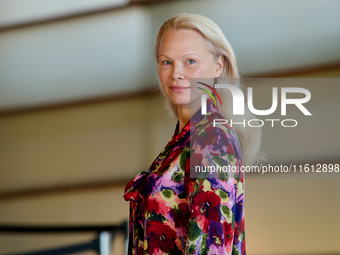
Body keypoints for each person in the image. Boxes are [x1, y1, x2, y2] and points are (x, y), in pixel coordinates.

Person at [124, 13, 261, 255]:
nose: (176, 73)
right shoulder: (184, 138)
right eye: (167, 62)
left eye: (190, 61)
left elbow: (212, 248)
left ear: (218, 66)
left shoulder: (212, 138)